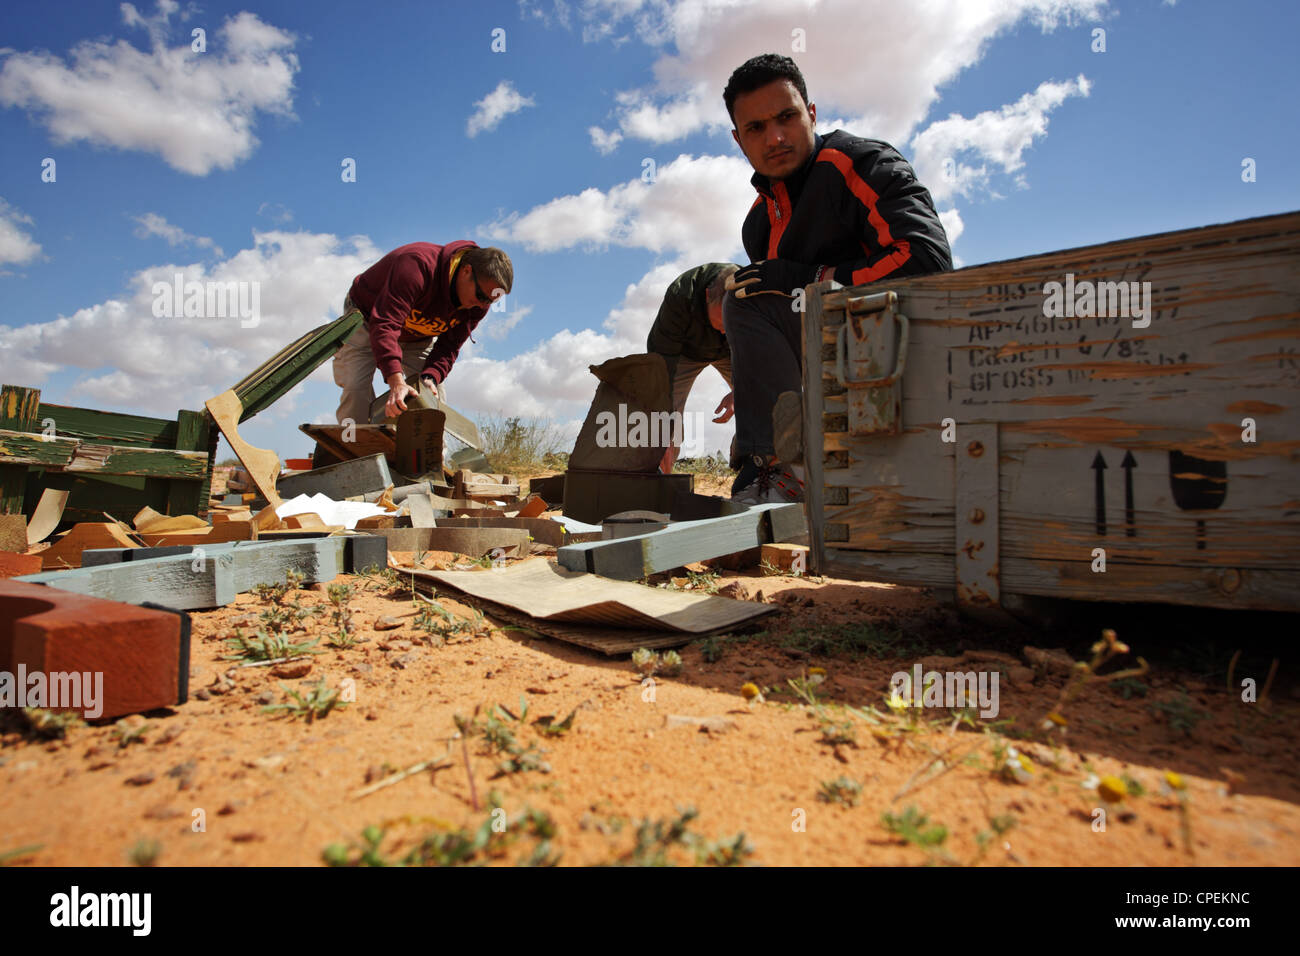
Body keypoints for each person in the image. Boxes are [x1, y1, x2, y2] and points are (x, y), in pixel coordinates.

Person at [721, 53, 953, 504]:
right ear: (738, 139)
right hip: (837, 375)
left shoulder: (861, 162)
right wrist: (754, 392)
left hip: (915, 351)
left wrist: (811, 278)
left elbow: (928, 264)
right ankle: (777, 472)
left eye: (787, 116)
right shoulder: (757, 224)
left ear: (811, 113)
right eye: (756, 128)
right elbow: (781, 332)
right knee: (748, 295)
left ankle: (792, 469)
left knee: (750, 300)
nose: (776, 136)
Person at [332, 242, 513, 425]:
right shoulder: (417, 265)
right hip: (367, 318)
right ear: (466, 271)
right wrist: (396, 381)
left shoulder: (477, 306)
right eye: (482, 297)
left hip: (417, 335)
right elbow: (386, 323)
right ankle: (356, 448)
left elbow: (449, 347)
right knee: (356, 388)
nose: (483, 306)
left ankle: (429, 451)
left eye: (490, 302)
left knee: (434, 395)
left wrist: (430, 376)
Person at [645, 262, 741, 472]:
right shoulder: (681, 294)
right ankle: (659, 475)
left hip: (736, 352)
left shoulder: (752, 292)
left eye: (731, 323)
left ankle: (753, 466)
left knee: (760, 398)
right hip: (683, 353)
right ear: (707, 296)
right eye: (722, 322)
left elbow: (760, 354)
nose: (725, 330)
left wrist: (741, 390)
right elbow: (661, 362)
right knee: (660, 418)